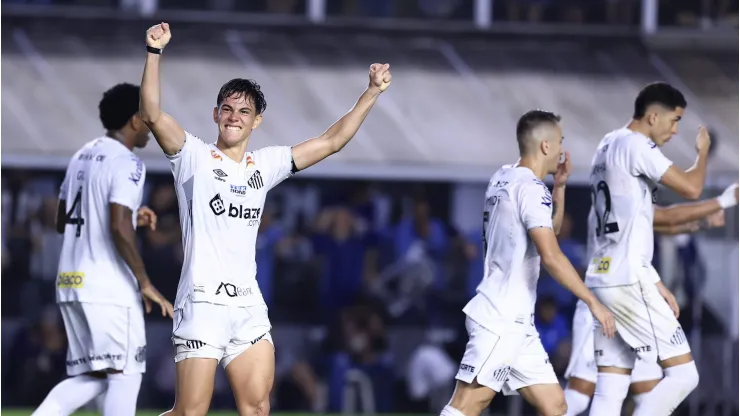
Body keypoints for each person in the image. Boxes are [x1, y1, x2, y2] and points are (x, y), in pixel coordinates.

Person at [139, 22, 392, 416]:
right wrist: (154, 53)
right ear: (215, 114)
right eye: (227, 109)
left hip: (247, 307)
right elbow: (151, 114)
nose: (234, 116)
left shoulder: (266, 163)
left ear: (256, 121)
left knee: (257, 409)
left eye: (244, 111)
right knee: (189, 412)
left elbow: (331, 141)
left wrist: (372, 92)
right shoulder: (193, 156)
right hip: (202, 304)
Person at [440, 110, 616, 416]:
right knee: (467, 405)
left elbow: (549, 231)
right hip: (500, 317)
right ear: (546, 146)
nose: (563, 149)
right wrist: (592, 300)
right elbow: (551, 255)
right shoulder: (530, 189)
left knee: (555, 405)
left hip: (517, 321)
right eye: (560, 141)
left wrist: (558, 186)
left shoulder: (504, 177)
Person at [585, 82, 738, 416]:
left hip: (603, 278)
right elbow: (692, 187)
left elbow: (653, 220)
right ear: (653, 116)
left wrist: (654, 281)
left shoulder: (607, 145)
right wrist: (702, 153)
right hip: (627, 279)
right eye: (675, 120)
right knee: (684, 375)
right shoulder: (637, 146)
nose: (676, 130)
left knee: (611, 386)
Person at [32, 83, 174, 416]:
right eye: (147, 116)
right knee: (125, 375)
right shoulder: (128, 163)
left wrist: (128, 217)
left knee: (95, 377)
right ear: (134, 120)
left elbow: (61, 220)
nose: (152, 123)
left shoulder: (82, 154)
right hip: (106, 287)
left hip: (71, 281)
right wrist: (144, 282)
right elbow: (117, 225)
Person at [564, 208, 729, 415]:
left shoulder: (613, 195)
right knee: (583, 392)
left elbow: (659, 225)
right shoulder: (624, 194)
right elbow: (668, 217)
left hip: (630, 304)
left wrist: (700, 223)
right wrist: (720, 203)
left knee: (645, 391)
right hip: (603, 300)